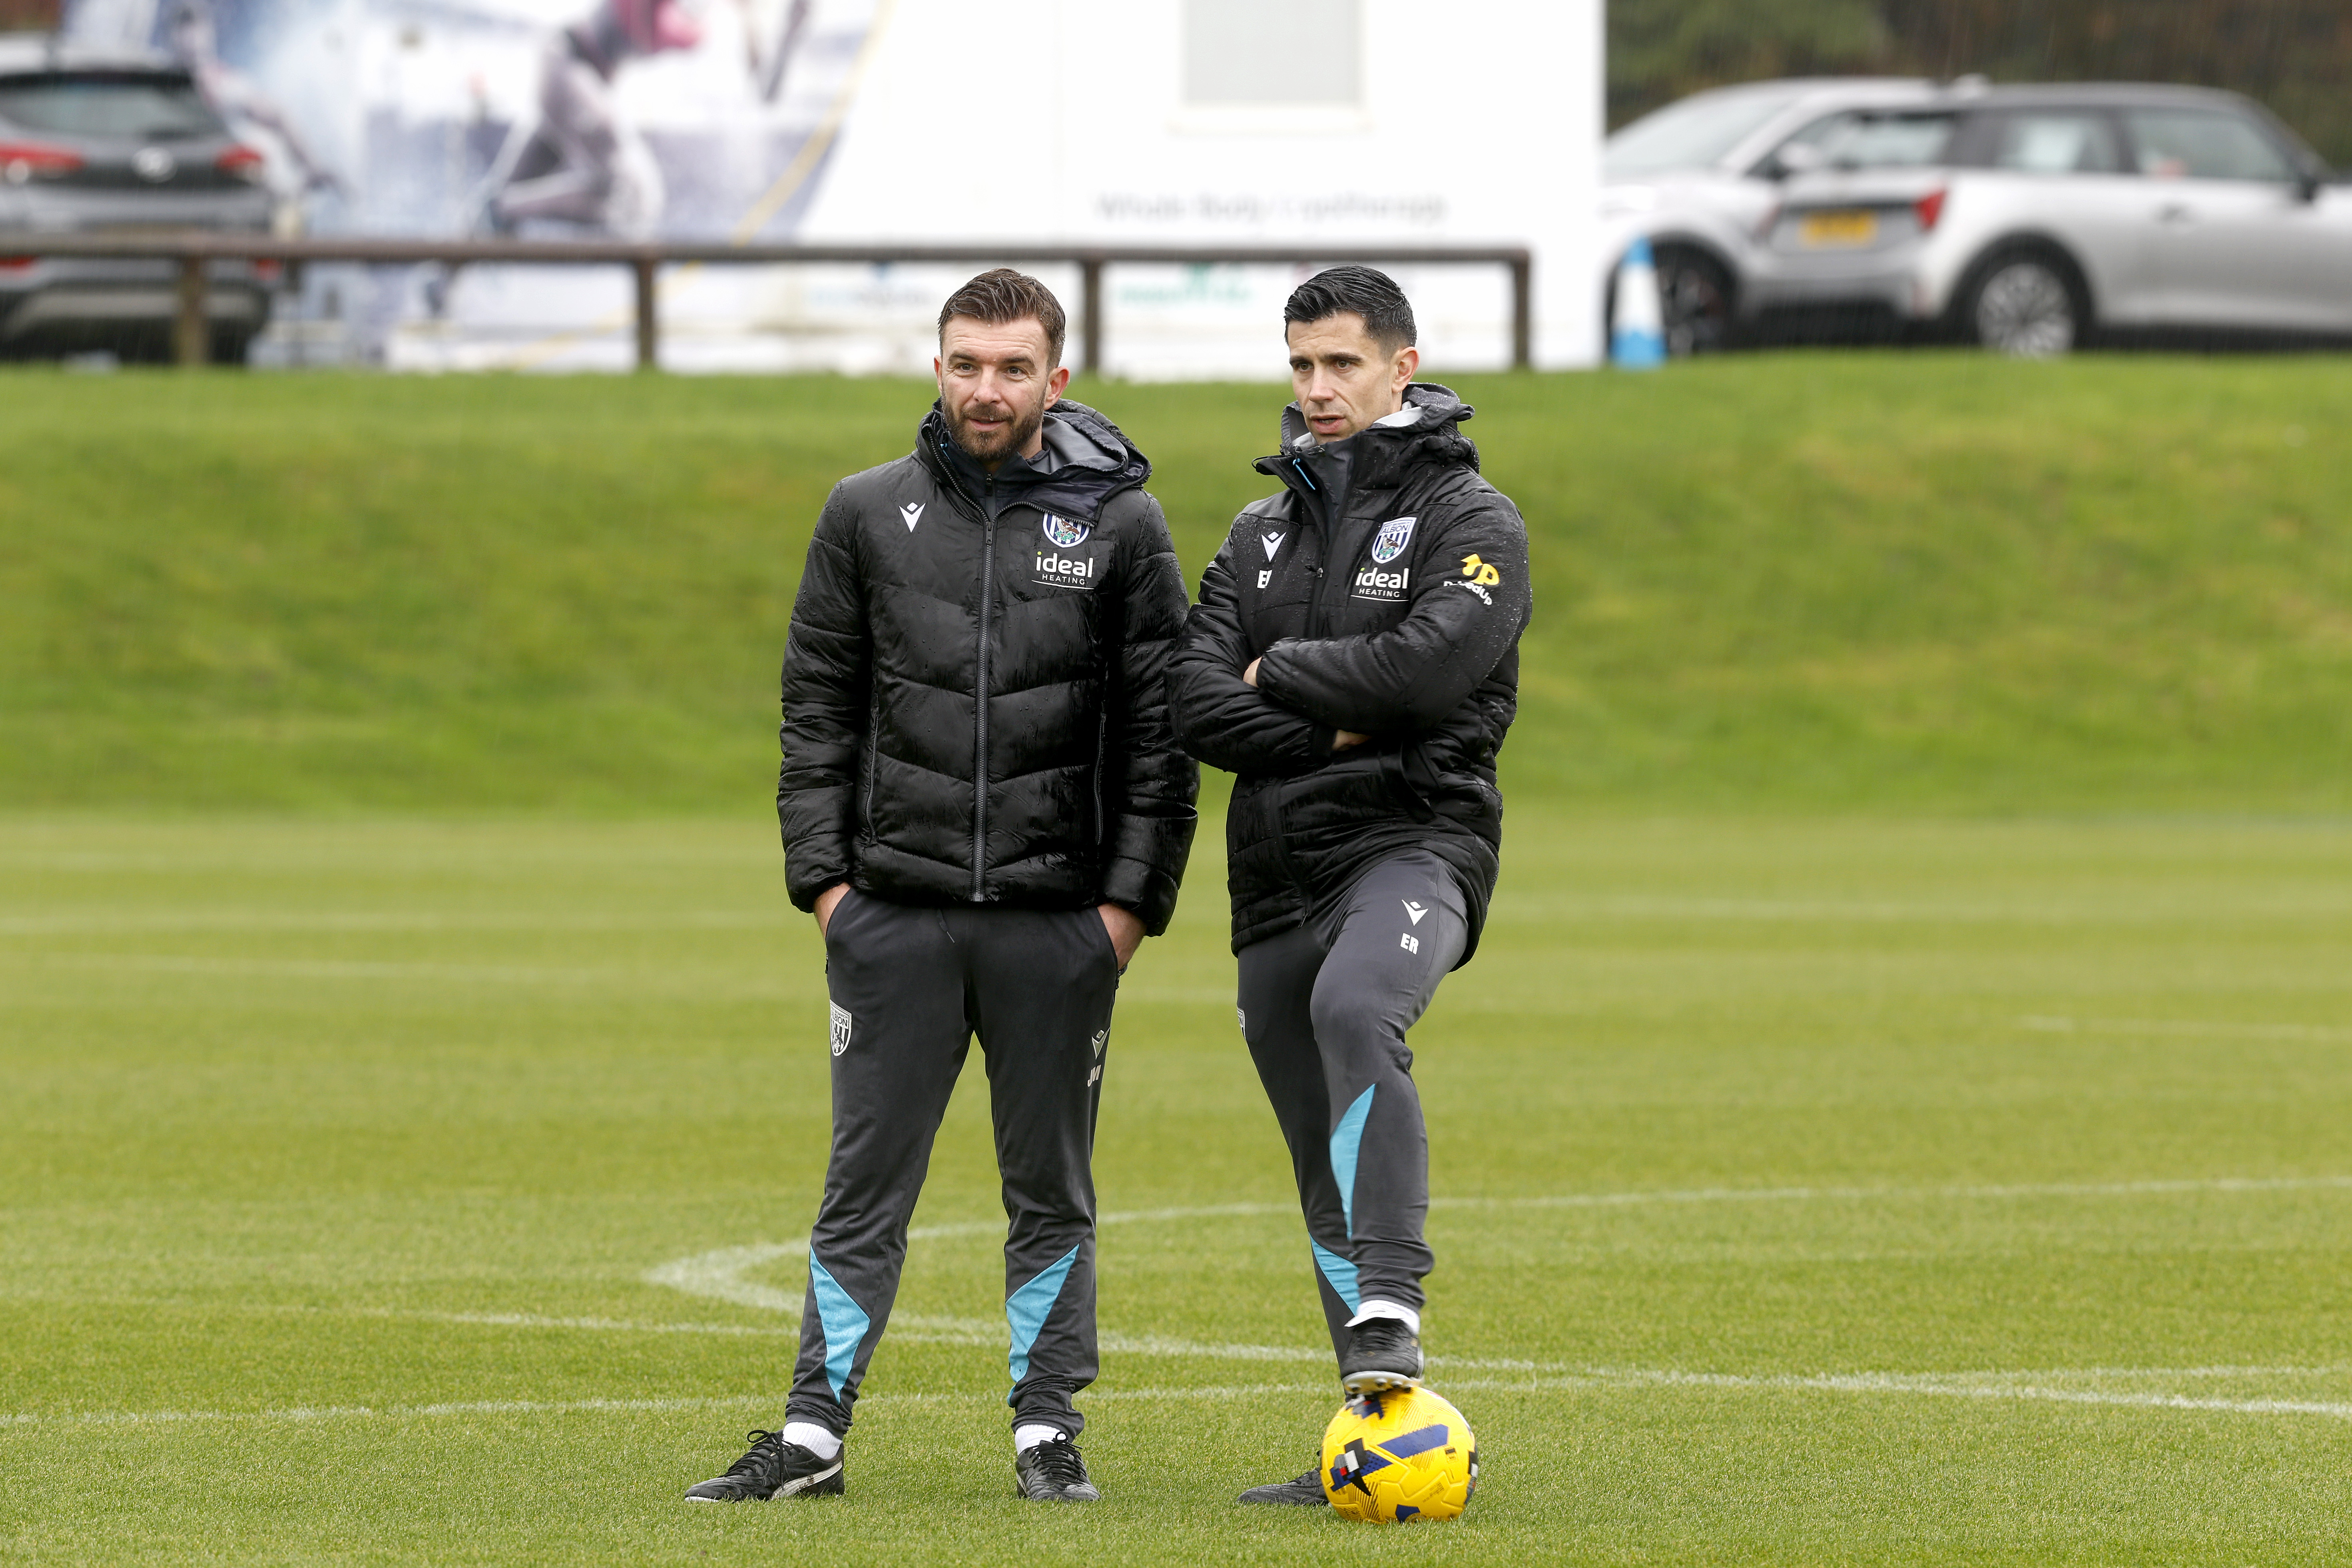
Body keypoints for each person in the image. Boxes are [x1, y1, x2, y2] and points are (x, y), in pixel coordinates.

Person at [685, 269, 1198, 1505]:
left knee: (1049, 1191)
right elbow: (816, 708)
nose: (986, 388)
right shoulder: (864, 512)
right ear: (936, 366)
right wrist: (826, 886)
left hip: (1056, 924)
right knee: (864, 1183)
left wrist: (1125, 910)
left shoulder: (1123, 526)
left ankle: (1045, 1429)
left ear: (1055, 380)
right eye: (966, 363)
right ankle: (813, 1432)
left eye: (1012, 368)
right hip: (894, 918)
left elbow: (1160, 735)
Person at [1165, 265, 1531, 1506]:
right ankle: (1368, 1434)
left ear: (1401, 367)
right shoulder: (1255, 533)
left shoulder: (1470, 519)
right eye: (1300, 366)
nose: (1317, 389)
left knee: (1354, 1011)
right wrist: (1322, 718)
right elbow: (1192, 699)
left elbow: (1429, 673)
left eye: (1341, 364)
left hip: (1414, 842)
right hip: (1273, 873)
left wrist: (1279, 672)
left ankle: (1392, 1301)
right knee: (1315, 1146)